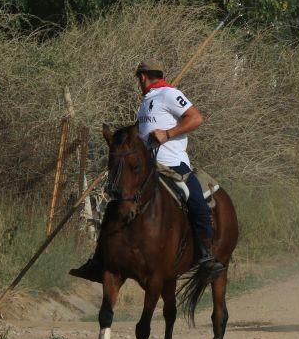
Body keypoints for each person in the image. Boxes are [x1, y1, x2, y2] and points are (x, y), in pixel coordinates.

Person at [70, 60, 224, 283]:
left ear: (142, 77)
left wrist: (168, 134)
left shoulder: (170, 94)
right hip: (146, 168)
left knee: (196, 200)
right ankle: (99, 260)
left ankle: (206, 256)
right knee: (115, 204)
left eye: (138, 79)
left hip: (173, 165)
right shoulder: (146, 102)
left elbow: (196, 118)